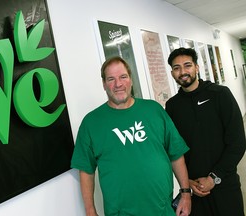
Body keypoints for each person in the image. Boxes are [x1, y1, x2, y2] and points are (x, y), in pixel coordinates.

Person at [71, 56, 191, 216]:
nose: (118, 84)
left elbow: (176, 154)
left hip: (163, 210)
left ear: (131, 80)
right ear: (104, 84)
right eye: (111, 79)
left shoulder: (154, 110)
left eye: (123, 77)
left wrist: (185, 194)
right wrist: (90, 211)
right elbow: (86, 170)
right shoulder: (91, 123)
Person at [166, 47, 246, 216]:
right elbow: (173, 150)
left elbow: (237, 142)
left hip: (224, 184)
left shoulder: (220, 94)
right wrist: (186, 182)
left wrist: (214, 178)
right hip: (194, 190)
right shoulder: (172, 106)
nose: (182, 72)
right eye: (176, 68)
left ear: (197, 67)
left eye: (187, 65)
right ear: (172, 73)